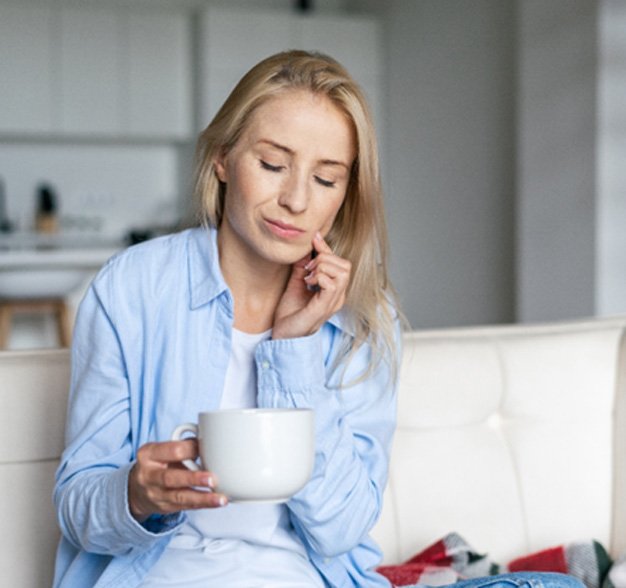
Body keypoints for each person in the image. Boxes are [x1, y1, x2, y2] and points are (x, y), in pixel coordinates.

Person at [52, 50, 584, 588]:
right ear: (222, 158)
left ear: (346, 195)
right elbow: (78, 507)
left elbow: (342, 529)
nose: (296, 200)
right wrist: (137, 495)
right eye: (272, 165)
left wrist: (294, 349)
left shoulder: (364, 317)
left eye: (326, 179)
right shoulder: (134, 288)